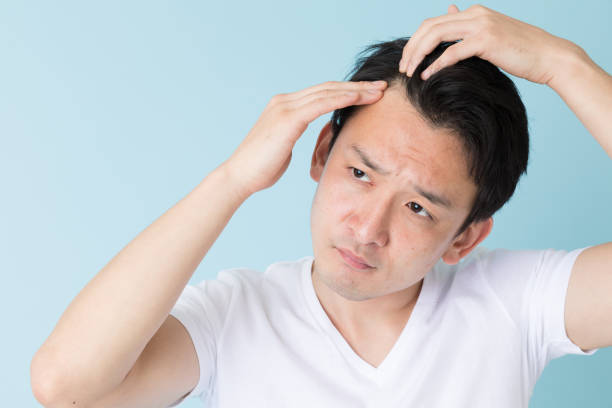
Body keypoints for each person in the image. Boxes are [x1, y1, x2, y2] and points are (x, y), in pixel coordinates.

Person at [31, 4, 612, 408]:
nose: (367, 229)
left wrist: (567, 65)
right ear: (321, 153)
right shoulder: (236, 315)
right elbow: (65, 385)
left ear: (465, 237)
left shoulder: (515, 303)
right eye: (359, 174)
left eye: (418, 209)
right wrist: (232, 179)